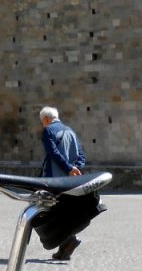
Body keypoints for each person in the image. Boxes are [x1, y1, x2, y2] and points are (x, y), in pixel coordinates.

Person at [38, 106, 90, 261]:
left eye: (42, 122)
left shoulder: (48, 131)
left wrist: (68, 169)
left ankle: (69, 240)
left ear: (46, 119)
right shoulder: (70, 131)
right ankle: (64, 250)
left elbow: (53, 153)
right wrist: (75, 169)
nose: (43, 125)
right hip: (70, 181)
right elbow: (81, 154)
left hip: (54, 180)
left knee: (46, 212)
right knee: (63, 212)